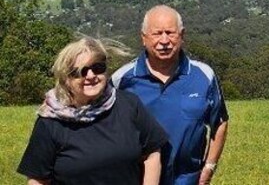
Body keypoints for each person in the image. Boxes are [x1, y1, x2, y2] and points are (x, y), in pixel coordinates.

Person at [18, 36, 168, 185]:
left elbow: (152, 153)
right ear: (66, 79)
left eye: (97, 68)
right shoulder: (50, 122)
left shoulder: (128, 105)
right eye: (80, 72)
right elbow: (38, 180)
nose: (91, 76)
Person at [113, 5, 229, 185]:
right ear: (143, 38)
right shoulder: (122, 79)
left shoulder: (204, 76)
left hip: (188, 179)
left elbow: (220, 122)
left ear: (182, 36)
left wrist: (209, 166)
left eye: (170, 33)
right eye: (157, 33)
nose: (164, 40)